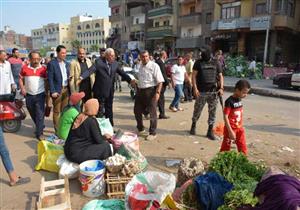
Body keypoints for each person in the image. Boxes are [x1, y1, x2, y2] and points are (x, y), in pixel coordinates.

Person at [78, 48, 135, 126]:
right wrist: (81, 77)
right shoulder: (99, 62)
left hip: (109, 91)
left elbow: (122, 73)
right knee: (99, 111)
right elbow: (90, 70)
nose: (113, 57)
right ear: (106, 55)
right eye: (111, 56)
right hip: (99, 92)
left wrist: (130, 80)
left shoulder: (115, 63)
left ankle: (110, 127)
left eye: (114, 56)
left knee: (109, 110)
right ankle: (99, 129)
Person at [190, 46, 224, 140]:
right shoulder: (198, 62)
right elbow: (193, 76)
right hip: (201, 92)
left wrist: (221, 88)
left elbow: (221, 76)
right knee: (197, 110)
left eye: (203, 52)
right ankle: (193, 124)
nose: (201, 54)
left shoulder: (216, 62)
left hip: (213, 92)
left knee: (212, 112)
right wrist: (195, 89)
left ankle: (210, 131)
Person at [64, 99, 113, 164]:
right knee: (106, 146)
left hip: (68, 151)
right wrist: (105, 137)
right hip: (76, 155)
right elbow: (99, 141)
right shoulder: (91, 121)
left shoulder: (80, 116)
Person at [134, 50, 164, 141]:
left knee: (152, 113)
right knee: (137, 110)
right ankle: (140, 128)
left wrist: (158, 93)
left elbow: (160, 81)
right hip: (140, 91)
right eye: (143, 57)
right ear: (140, 57)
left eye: (146, 56)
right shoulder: (139, 66)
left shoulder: (154, 66)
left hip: (151, 91)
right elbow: (139, 79)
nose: (144, 58)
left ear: (149, 56)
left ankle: (152, 132)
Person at [19, 51, 47, 140]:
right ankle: (40, 126)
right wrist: (22, 88)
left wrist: (47, 93)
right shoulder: (24, 68)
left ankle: (39, 134)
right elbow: (20, 79)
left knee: (39, 114)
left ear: (40, 59)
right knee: (32, 112)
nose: (36, 61)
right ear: (30, 59)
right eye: (33, 59)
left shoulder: (43, 69)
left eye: (37, 59)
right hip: (29, 95)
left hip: (40, 95)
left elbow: (47, 81)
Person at [220, 80, 250, 155]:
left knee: (242, 146)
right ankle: (222, 161)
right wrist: (230, 131)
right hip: (230, 128)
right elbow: (225, 116)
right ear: (237, 90)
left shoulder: (239, 99)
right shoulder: (229, 101)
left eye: (247, 93)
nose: (245, 95)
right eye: (244, 92)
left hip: (239, 128)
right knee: (226, 147)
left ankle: (243, 160)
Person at [47, 45, 70, 132]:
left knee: (64, 111)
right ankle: (57, 131)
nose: (64, 54)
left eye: (65, 53)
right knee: (57, 111)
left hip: (66, 90)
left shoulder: (67, 63)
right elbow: (50, 78)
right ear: (57, 53)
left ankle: (62, 129)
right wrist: (53, 91)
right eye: (62, 53)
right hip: (57, 90)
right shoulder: (52, 64)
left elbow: (66, 75)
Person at [155, 50, 170, 119]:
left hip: (159, 82)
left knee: (158, 98)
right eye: (166, 55)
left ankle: (161, 113)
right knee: (160, 99)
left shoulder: (159, 61)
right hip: (160, 83)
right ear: (164, 55)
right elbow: (163, 74)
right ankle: (162, 114)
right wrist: (168, 82)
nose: (166, 56)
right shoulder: (160, 62)